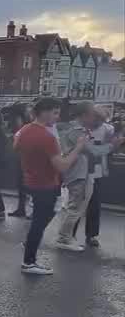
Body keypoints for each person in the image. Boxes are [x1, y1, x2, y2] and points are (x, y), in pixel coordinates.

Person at [15, 97, 88, 275]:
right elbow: (62, 166)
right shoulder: (47, 137)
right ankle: (29, 262)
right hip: (45, 183)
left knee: (45, 216)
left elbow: (17, 149)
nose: (58, 116)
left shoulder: (23, 131)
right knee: (40, 222)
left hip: (31, 179)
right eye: (55, 112)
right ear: (44, 112)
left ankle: (30, 246)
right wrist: (78, 148)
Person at [56, 102, 104, 251]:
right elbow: (90, 150)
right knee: (75, 207)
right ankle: (64, 238)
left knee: (77, 206)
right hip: (78, 172)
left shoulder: (76, 128)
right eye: (92, 115)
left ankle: (66, 236)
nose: (94, 119)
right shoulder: (76, 130)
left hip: (81, 171)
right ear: (83, 115)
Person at [74, 109, 121, 247]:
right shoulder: (80, 129)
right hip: (81, 171)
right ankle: (70, 233)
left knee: (94, 204)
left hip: (98, 171)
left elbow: (113, 149)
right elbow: (94, 150)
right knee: (76, 204)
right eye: (96, 120)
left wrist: (114, 143)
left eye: (101, 120)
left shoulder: (108, 129)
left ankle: (91, 235)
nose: (98, 123)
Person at [9, 112, 30, 217]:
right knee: (21, 188)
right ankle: (21, 209)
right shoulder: (21, 130)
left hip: (26, 163)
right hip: (21, 162)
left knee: (25, 187)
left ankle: (23, 209)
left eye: (17, 119)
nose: (16, 122)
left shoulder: (25, 130)